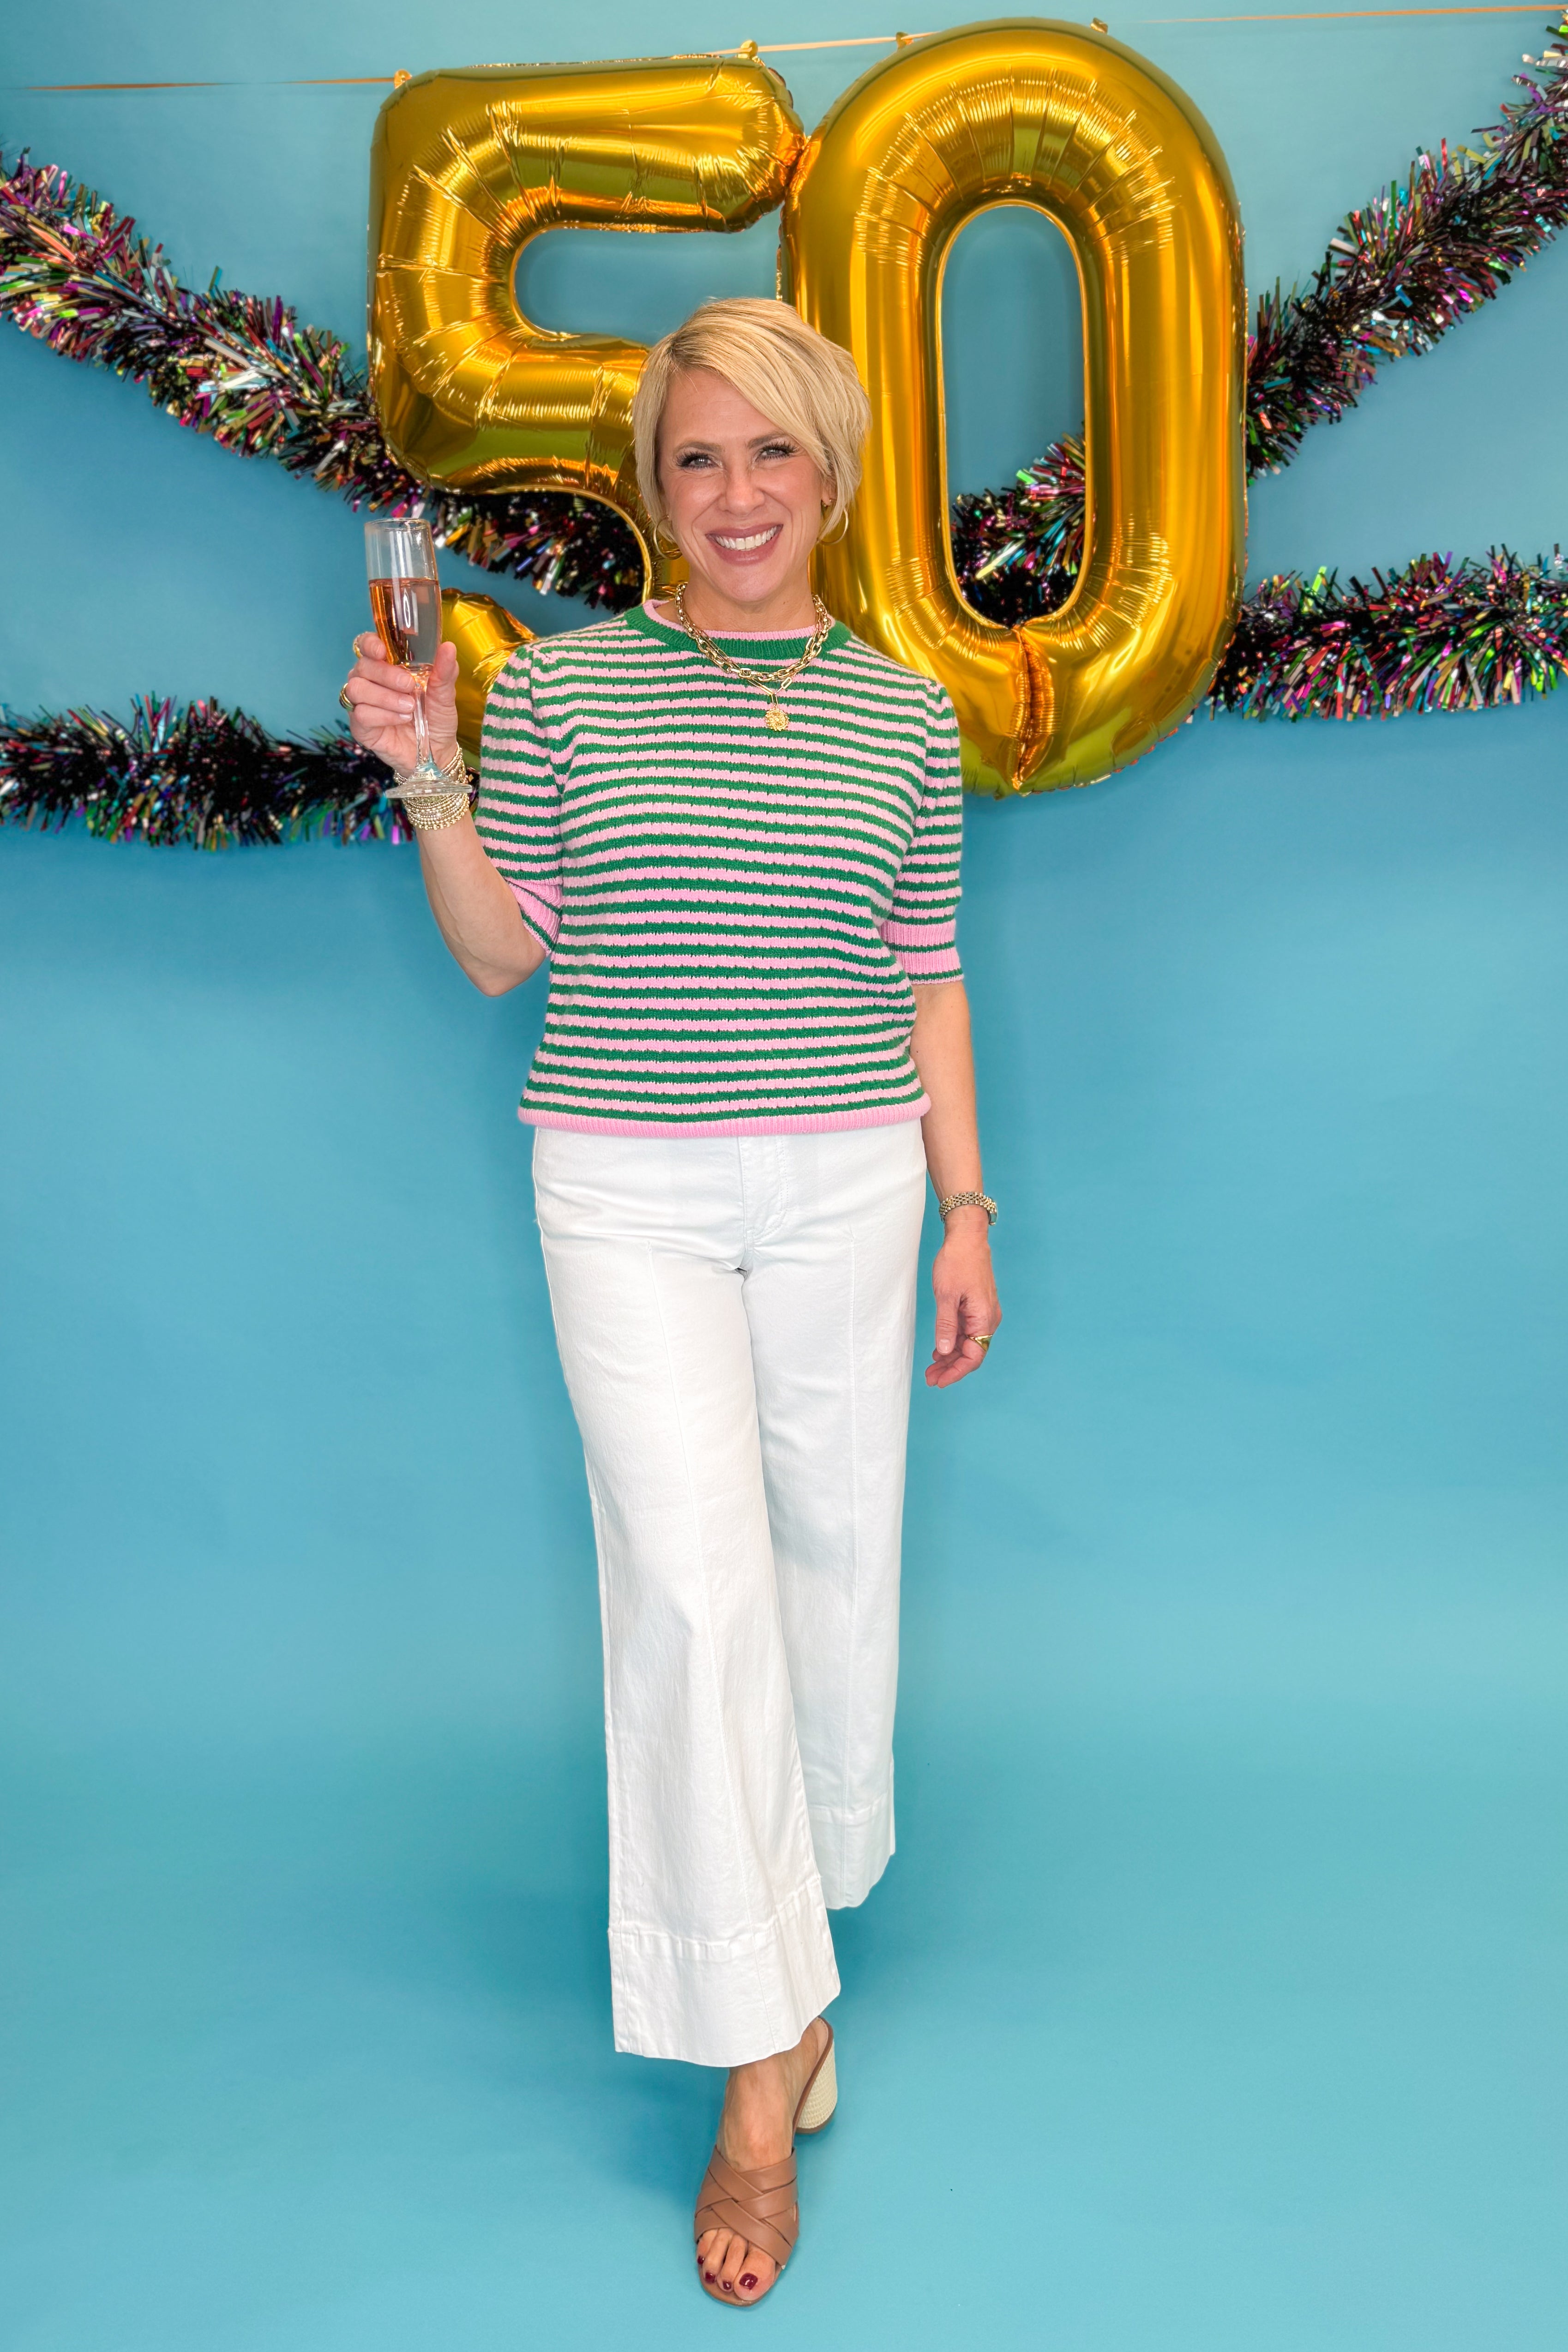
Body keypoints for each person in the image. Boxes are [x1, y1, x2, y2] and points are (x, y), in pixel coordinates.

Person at [341, 295, 1001, 2308]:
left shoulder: (903, 714)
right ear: (654, 485)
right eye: (697, 457)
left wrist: (967, 1207)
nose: (736, 494)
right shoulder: (562, 692)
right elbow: (496, 956)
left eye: (772, 450)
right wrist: (432, 778)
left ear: (834, 473)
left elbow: (929, 974)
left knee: (831, 1570)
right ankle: (752, 2077)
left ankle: (794, 1979)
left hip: (852, 1186)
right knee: (697, 1595)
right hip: (624, 1188)